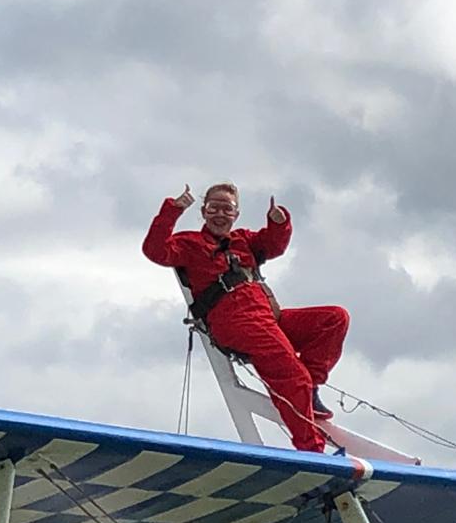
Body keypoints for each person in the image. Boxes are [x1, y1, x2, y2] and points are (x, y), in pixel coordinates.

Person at [142, 181, 350, 453]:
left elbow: (273, 245)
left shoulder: (244, 240)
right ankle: (312, 451)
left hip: (267, 318)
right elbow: (155, 249)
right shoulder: (190, 243)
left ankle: (309, 390)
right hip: (236, 323)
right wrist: (173, 210)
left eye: (226, 209)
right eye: (213, 207)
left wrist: (279, 222)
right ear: (203, 212)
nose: (219, 214)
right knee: (291, 375)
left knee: (334, 319)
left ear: (236, 214)